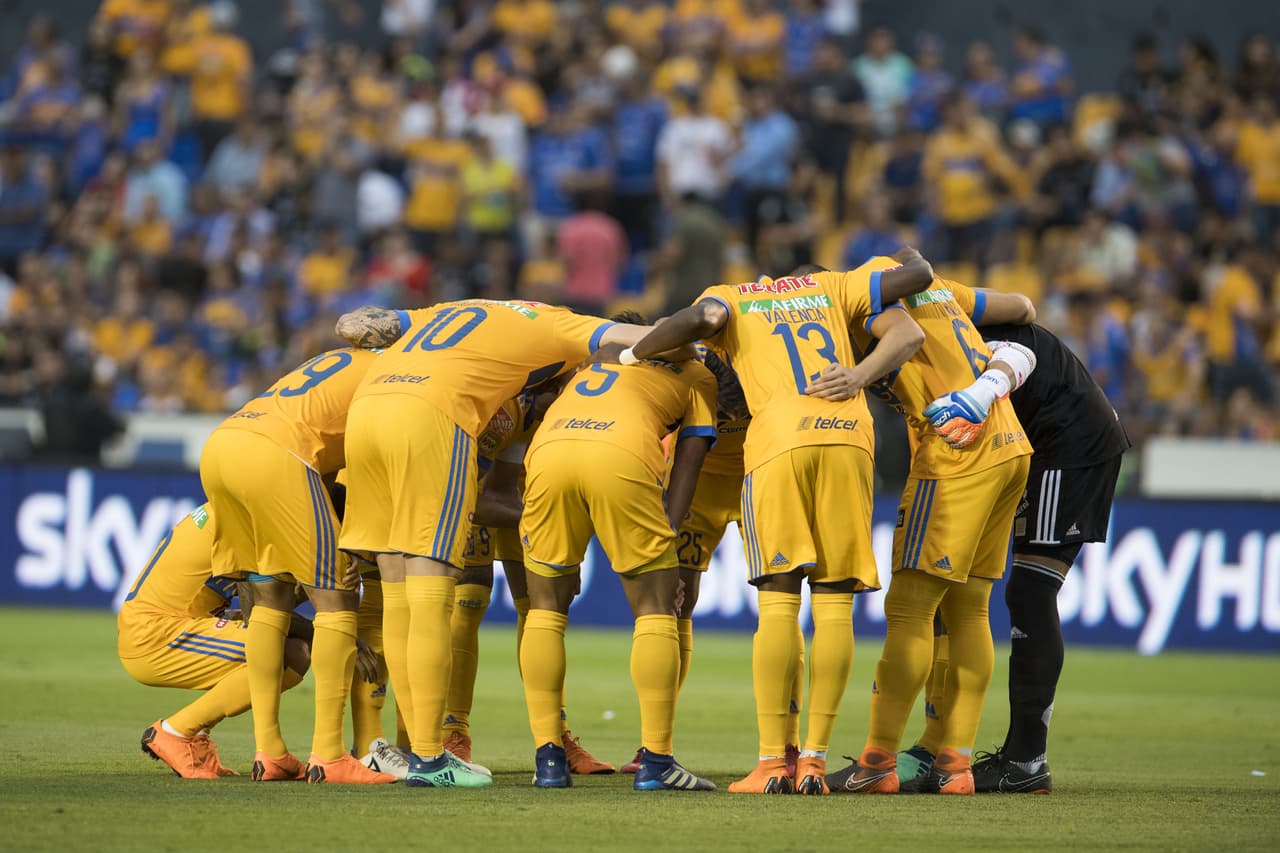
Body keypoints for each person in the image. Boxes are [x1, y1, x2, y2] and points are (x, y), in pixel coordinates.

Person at [622, 249, 935, 794]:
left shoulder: (736, 295)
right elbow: (909, 332)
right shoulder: (836, 288)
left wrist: (635, 352)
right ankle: (813, 762)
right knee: (836, 600)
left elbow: (698, 322)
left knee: (779, 597)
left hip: (779, 443)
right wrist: (857, 376)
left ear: (770, 278)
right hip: (850, 437)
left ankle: (772, 764)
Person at [331, 300, 655, 789]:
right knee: (436, 588)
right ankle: (432, 751)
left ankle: (422, 748)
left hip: (370, 413)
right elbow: (641, 335)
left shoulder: (455, 317)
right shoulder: (548, 334)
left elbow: (350, 323)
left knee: (400, 586)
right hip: (433, 422)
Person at [825, 271, 1037, 795]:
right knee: (971, 610)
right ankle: (955, 766)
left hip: (954, 454)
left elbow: (909, 336)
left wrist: (855, 375)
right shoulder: (941, 288)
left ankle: (876, 761)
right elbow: (1024, 309)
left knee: (909, 611)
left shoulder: (859, 300)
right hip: (1010, 445)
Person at [907, 321, 1132, 793]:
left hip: (1066, 444)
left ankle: (1027, 759)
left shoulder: (954, 329)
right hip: (1040, 445)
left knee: (1030, 592)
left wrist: (982, 390)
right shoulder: (955, 315)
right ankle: (968, 748)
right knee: (985, 587)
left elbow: (1016, 350)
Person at [518, 312, 719, 790]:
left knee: (545, 610)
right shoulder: (698, 376)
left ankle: (548, 759)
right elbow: (689, 462)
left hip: (549, 454)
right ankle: (657, 763)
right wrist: (666, 537)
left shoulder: (596, 362)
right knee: (655, 611)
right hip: (621, 453)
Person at [199, 346, 395, 785]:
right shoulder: (394, 374)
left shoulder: (339, 359)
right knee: (338, 596)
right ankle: (329, 754)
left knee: (269, 592)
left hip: (223, 443)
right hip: (280, 455)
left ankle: (268, 751)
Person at [442, 393, 616, 775]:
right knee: (469, 600)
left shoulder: (586, 395)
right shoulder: (512, 401)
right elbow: (474, 481)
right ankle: (453, 733)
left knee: (542, 607)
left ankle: (556, 734)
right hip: (482, 488)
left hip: (537, 492)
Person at [120, 504, 310, 779]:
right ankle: (175, 732)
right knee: (284, 651)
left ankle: (194, 733)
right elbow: (259, 612)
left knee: (293, 648)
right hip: (156, 634)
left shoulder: (234, 506)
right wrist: (337, 632)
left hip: (164, 625)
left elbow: (273, 600)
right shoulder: (244, 517)